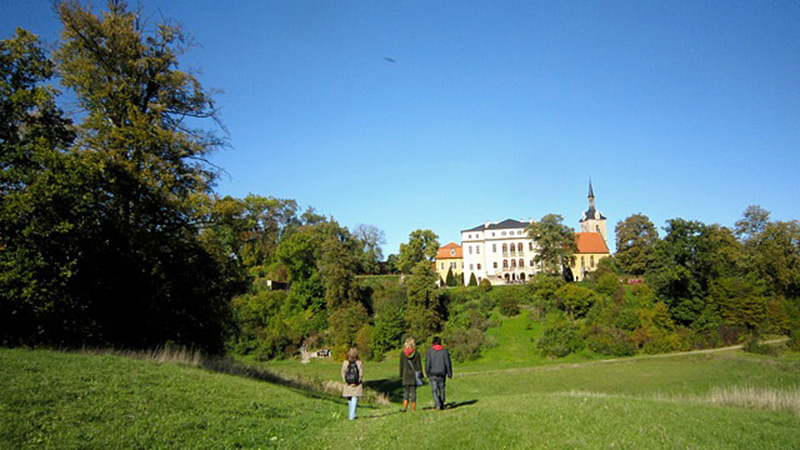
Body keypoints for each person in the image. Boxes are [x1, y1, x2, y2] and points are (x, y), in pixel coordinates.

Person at [425, 336, 452, 410]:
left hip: (432, 373)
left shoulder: (429, 351)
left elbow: (428, 363)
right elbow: (448, 363)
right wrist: (449, 372)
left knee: (434, 390)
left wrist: (427, 372)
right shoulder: (444, 351)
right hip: (442, 373)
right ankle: (442, 402)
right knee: (442, 389)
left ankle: (437, 404)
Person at [399, 338, 424, 412]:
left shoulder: (402, 353)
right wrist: (421, 374)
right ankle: (413, 408)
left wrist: (401, 375)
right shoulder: (416, 353)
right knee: (413, 391)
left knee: (406, 391)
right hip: (414, 374)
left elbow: (401, 365)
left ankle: (404, 406)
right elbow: (419, 365)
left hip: (405, 374)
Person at [341, 347, 363, 420]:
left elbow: (342, 373)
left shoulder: (345, 362)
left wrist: (345, 381)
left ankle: (351, 415)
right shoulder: (359, 362)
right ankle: (352, 416)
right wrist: (357, 381)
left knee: (349, 398)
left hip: (347, 384)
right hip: (356, 384)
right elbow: (361, 373)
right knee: (354, 398)